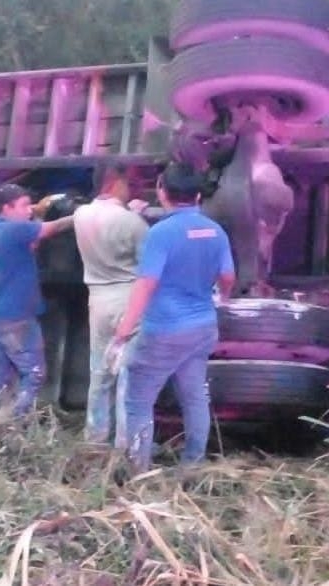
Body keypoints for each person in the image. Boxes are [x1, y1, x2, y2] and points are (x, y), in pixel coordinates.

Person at [112, 161, 235, 473]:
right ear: (197, 196)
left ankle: (138, 472)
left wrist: (125, 328)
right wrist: (221, 294)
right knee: (194, 397)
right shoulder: (215, 231)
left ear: (161, 192)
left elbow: (146, 283)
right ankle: (192, 465)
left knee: (138, 402)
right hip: (203, 328)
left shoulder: (161, 233)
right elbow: (227, 276)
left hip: (164, 331)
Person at [0, 183, 75, 420]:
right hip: (17, 316)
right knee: (34, 373)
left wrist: (38, 211)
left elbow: (31, 243)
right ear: (6, 207)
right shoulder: (13, 230)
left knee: (1, 374)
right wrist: (82, 215)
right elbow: (50, 229)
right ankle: (12, 419)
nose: (28, 211)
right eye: (23, 206)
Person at [72, 163, 149, 444]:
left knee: (100, 372)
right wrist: (135, 216)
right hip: (128, 301)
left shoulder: (81, 215)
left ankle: (94, 437)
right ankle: (126, 444)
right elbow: (148, 269)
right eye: (128, 184)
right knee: (127, 375)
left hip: (98, 299)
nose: (130, 190)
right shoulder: (132, 223)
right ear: (114, 183)